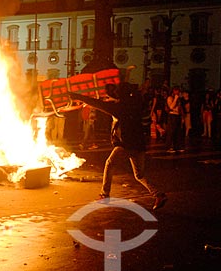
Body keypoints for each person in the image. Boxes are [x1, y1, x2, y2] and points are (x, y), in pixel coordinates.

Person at [70, 82, 167, 210]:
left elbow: (98, 104)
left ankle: (104, 195)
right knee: (139, 175)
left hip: (125, 144)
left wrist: (78, 96)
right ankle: (159, 194)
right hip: (139, 144)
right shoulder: (134, 103)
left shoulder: (119, 107)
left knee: (109, 163)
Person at [165, 86, 184, 153]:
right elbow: (171, 107)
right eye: (176, 90)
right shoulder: (169, 98)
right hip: (172, 115)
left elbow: (180, 108)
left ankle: (177, 146)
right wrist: (175, 99)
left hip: (177, 115)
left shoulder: (178, 99)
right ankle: (169, 146)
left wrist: (182, 116)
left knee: (177, 132)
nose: (177, 92)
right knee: (171, 131)